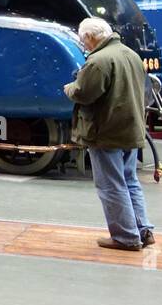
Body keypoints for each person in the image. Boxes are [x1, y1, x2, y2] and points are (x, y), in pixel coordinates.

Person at [64, 17, 155, 251]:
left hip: (106, 130)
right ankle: (144, 230)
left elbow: (85, 93)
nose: (84, 46)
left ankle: (126, 237)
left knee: (111, 185)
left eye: (84, 41)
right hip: (131, 128)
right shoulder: (130, 54)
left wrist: (69, 88)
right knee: (130, 181)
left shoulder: (99, 61)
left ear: (92, 38)